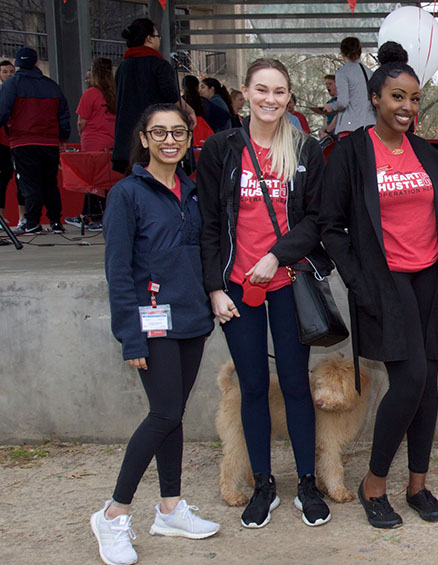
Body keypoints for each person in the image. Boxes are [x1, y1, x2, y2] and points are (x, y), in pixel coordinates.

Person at [320, 41, 438, 529]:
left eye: (414, 99)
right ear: (376, 99)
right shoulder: (352, 153)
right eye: (397, 97)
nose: (407, 107)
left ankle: (418, 486)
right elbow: (331, 226)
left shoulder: (428, 153)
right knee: (410, 380)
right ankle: (374, 483)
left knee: (426, 386)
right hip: (386, 281)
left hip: (431, 277)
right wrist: (359, 280)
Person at [197, 58, 334, 529]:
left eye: (279, 92)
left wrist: (277, 256)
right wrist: (215, 287)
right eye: (262, 90)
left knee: (295, 386)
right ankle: (263, 485)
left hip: (287, 283)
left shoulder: (305, 149)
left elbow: (316, 219)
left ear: (289, 97)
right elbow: (210, 225)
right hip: (238, 289)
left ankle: (307, 484)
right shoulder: (220, 149)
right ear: (244, 93)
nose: (270, 99)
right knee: (252, 387)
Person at [94, 103, 220, 565]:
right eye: (160, 132)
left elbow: (199, 254)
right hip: (151, 322)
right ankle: (112, 513)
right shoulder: (128, 194)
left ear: (189, 138)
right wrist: (130, 336)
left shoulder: (191, 190)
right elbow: (118, 271)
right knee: (164, 413)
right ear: (144, 138)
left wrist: (206, 311)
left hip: (191, 322)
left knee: (173, 414)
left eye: (179, 132)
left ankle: (169, 508)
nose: (171, 140)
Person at [0, 47, 70, 235]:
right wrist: (63, 136)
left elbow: (3, 111)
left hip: (23, 140)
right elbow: (63, 113)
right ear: (36, 63)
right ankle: (56, 221)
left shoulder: (12, 84)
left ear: (17, 64)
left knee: (29, 183)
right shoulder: (51, 85)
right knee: (49, 181)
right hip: (49, 141)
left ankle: (32, 221)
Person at [113, 18, 179, 174]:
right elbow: (171, 96)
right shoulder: (159, 65)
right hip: (152, 139)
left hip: (125, 143)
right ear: (149, 38)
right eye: (157, 36)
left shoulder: (122, 67)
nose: (159, 41)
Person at [66, 57, 117, 232]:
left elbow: (81, 121)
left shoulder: (90, 93)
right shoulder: (114, 93)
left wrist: (83, 136)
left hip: (93, 141)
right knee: (108, 179)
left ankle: (92, 216)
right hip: (111, 141)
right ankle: (99, 215)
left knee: (92, 181)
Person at [323, 37, 376, 136]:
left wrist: (331, 106)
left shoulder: (343, 72)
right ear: (360, 52)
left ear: (342, 53)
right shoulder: (369, 73)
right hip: (370, 125)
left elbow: (343, 102)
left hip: (349, 127)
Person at [0, 59, 22, 226]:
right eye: (4, 72)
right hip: (3, 143)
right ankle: (1, 216)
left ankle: (24, 217)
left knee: (22, 179)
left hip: (20, 140)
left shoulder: (21, 93)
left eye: (10, 71)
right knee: (3, 178)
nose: (8, 74)